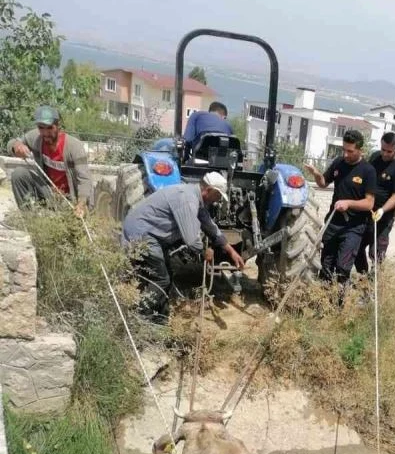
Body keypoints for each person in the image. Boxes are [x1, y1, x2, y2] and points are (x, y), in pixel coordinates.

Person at [122, 172, 244, 323]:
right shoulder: (187, 199)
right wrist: (204, 251)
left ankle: (160, 321)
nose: (218, 200)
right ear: (209, 190)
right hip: (141, 232)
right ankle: (139, 318)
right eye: (218, 195)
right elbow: (192, 240)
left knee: (166, 276)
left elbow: (209, 225)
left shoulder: (195, 198)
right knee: (160, 279)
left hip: (151, 234)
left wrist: (231, 251)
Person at [304, 129, 377, 292]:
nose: (345, 154)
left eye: (350, 151)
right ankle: (323, 305)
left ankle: (339, 306)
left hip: (353, 227)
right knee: (326, 267)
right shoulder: (339, 163)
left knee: (342, 268)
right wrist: (316, 174)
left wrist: (349, 203)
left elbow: (369, 203)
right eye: (344, 149)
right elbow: (323, 183)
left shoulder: (368, 171)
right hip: (333, 223)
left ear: (360, 150)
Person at [7, 105, 94, 217]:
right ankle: (29, 218)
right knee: (19, 174)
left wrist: (81, 204)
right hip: (47, 191)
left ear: (58, 126)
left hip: (68, 199)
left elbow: (85, 179)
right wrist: (16, 146)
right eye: (41, 128)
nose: (45, 132)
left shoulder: (74, 146)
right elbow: (12, 143)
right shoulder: (36, 137)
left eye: (49, 128)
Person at [355, 131, 395, 275]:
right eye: (383, 149)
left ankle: (374, 285)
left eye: (389, 151)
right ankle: (363, 280)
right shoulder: (375, 157)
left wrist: (382, 210)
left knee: (376, 253)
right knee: (356, 247)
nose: (385, 153)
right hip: (366, 213)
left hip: (383, 218)